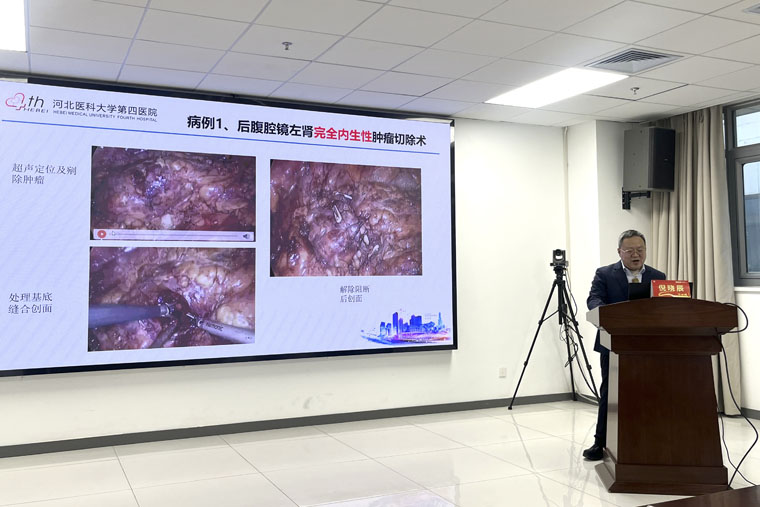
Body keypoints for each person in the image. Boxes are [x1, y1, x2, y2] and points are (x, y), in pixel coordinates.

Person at [582, 230, 666, 461]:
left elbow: (664, 307)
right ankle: (600, 442)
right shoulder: (604, 274)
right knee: (610, 392)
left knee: (648, 392)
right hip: (613, 342)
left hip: (648, 345)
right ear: (619, 252)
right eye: (630, 250)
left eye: (640, 250)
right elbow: (594, 299)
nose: (635, 255)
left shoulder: (658, 276)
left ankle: (649, 439)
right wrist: (606, 313)